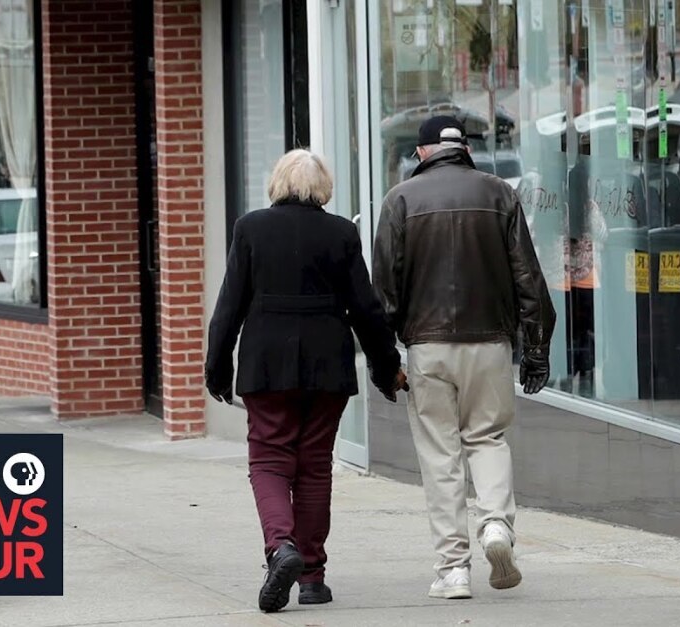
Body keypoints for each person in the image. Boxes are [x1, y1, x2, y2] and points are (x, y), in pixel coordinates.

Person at [204, 149, 406, 613]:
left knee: (270, 460)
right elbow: (366, 308)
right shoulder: (341, 233)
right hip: (326, 365)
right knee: (314, 467)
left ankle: (281, 547)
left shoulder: (250, 228)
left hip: (267, 364)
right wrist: (385, 366)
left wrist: (217, 366)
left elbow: (229, 304)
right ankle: (312, 577)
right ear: (322, 188)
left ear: (277, 183)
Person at [372, 116, 556, 599]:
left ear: (421, 152)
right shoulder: (499, 194)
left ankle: (453, 569)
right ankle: (495, 525)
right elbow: (528, 279)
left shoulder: (400, 200)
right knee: (487, 437)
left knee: (441, 455)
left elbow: (384, 291)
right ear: (465, 149)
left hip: (427, 347)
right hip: (490, 344)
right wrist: (537, 348)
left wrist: (382, 361)